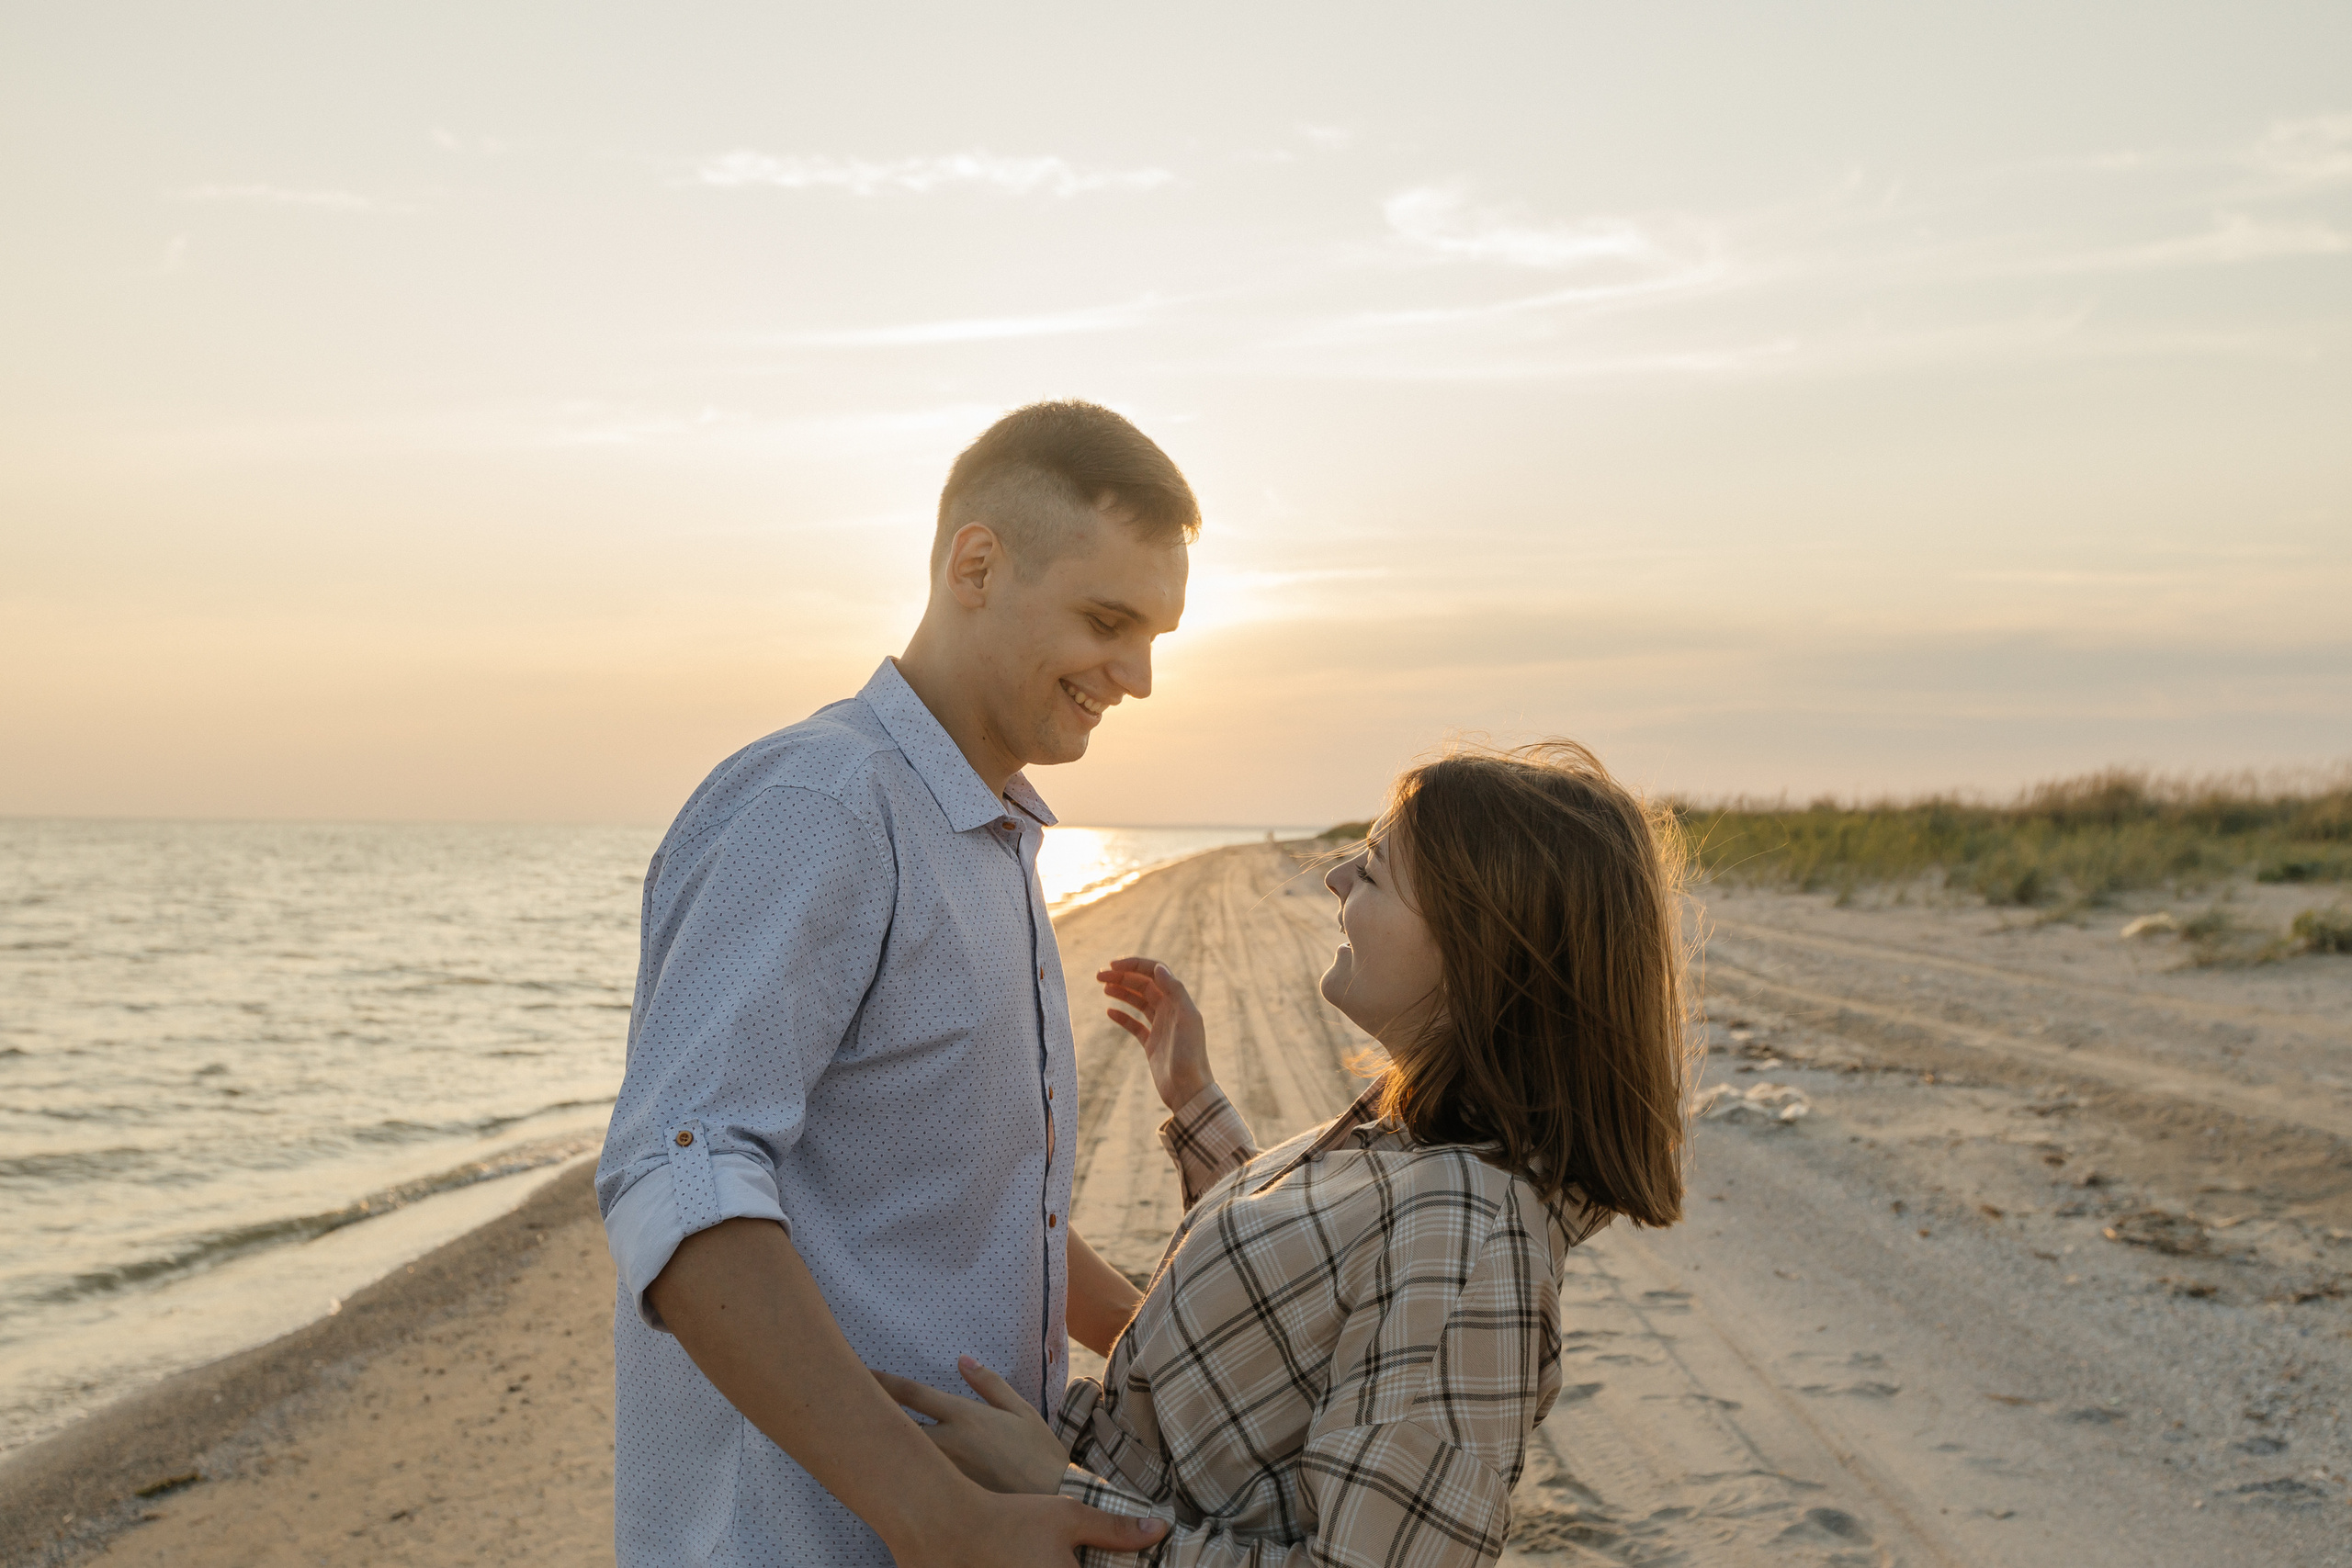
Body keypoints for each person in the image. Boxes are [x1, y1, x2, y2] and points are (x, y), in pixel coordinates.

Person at [595, 400, 1198, 1566]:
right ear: (977, 563)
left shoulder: (988, 831)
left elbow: (964, 1194)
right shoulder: (821, 806)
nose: (1136, 675)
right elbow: (681, 1182)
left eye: (1156, 637)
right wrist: (937, 1513)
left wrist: (1157, 1343)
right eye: (1107, 620)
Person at [877, 741, 1694, 1566]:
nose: (1336, 880)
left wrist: (1062, 1495)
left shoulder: (1471, 1246)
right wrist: (1194, 1101)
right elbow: (1301, 1296)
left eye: (1373, 872)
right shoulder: (1428, 1150)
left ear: (1476, 947)